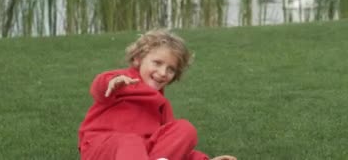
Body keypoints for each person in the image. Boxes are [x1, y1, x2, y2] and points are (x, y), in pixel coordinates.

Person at [78, 29, 236, 160]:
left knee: (185, 129)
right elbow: (99, 88)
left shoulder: (162, 105)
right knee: (131, 141)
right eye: (157, 63)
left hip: (140, 154)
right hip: (100, 147)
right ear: (138, 59)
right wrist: (112, 82)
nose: (162, 73)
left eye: (171, 69)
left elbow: (170, 146)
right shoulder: (123, 81)